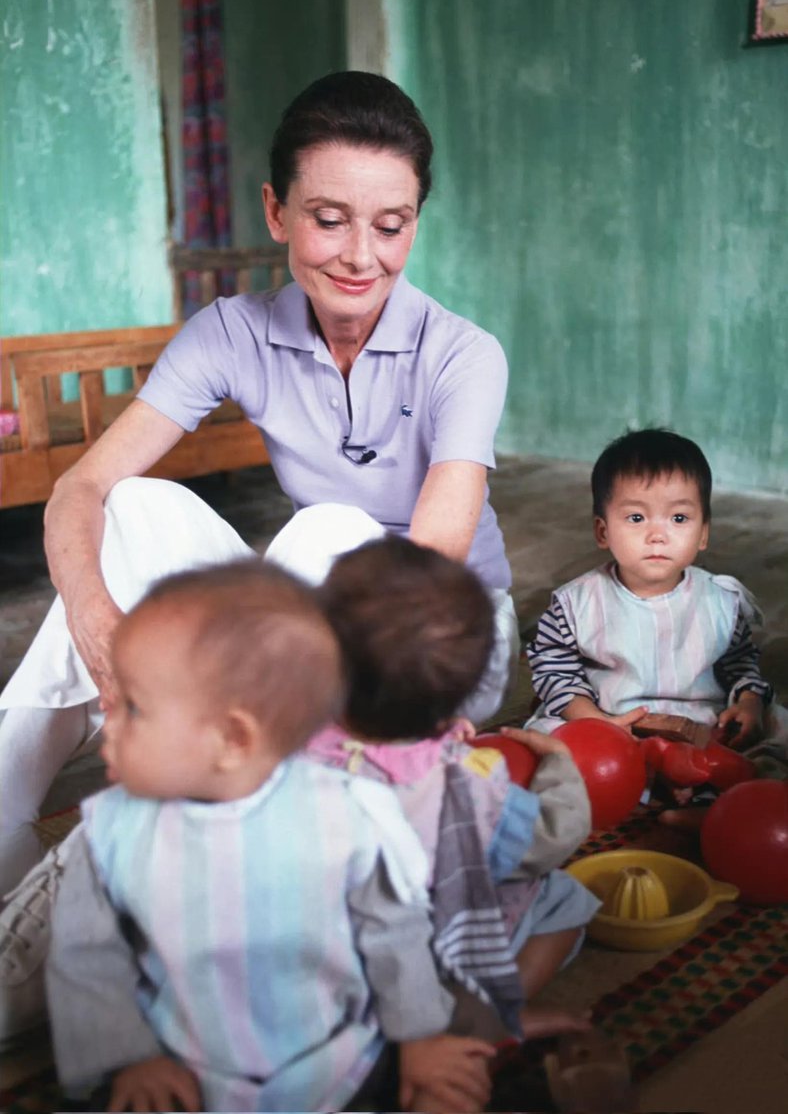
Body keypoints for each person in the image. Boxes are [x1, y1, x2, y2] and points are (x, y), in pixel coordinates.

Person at [0, 70, 518, 895]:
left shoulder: (465, 354)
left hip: (431, 639)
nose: (361, 255)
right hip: (303, 610)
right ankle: (5, 814)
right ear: (278, 211)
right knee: (131, 505)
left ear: (415, 222)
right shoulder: (233, 332)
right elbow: (79, 491)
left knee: (329, 531)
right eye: (328, 219)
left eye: (392, 226)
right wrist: (101, 629)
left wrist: (209, 668)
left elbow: (430, 558)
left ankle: (188, 827)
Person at [44, 560, 495, 1114]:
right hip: (182, 1068)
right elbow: (85, 959)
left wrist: (420, 1038)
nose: (107, 718)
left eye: (134, 706)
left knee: (448, 1087)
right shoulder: (109, 831)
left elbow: (393, 933)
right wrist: (131, 1057)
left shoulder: (344, 812)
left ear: (233, 738)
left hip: (340, 1057)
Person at [306, 536, 599, 1040]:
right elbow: (548, 839)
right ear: (455, 705)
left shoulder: (288, 743)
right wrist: (559, 765)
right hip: (421, 958)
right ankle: (488, 1016)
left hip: (317, 963)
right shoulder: (464, 782)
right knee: (562, 899)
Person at [524, 429, 785, 752]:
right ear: (602, 531)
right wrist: (591, 719)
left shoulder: (721, 602)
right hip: (608, 719)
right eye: (636, 517)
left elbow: (740, 665)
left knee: (777, 724)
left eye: (678, 518)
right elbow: (555, 672)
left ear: (703, 534)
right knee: (545, 736)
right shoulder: (575, 604)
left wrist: (749, 703)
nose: (657, 535)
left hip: (703, 724)